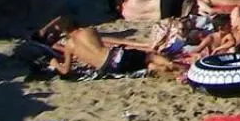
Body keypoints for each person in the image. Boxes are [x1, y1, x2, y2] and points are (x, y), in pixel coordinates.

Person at [40, 18, 179, 77]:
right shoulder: (89, 31)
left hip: (108, 68)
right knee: (150, 56)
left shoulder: (69, 47)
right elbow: (108, 42)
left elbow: (65, 71)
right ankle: (171, 65)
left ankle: (158, 69)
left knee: (145, 66)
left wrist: (55, 63)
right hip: (114, 55)